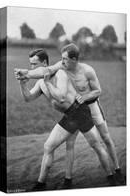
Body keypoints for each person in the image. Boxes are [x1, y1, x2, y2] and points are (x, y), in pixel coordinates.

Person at [15, 44, 125, 186]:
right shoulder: (44, 79)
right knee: (53, 146)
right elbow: (28, 98)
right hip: (71, 114)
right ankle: (48, 182)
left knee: (97, 144)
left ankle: (113, 174)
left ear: (44, 64)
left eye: (34, 64)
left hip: (80, 110)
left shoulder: (62, 73)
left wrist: (48, 83)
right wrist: (23, 83)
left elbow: (60, 97)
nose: (31, 68)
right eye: (30, 65)